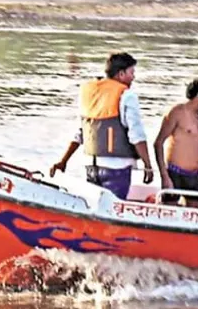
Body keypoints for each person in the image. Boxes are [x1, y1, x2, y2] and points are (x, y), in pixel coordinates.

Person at [50, 52, 152, 200]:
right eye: (132, 72)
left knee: (94, 208)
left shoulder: (89, 92)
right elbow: (136, 135)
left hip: (91, 167)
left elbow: (81, 132)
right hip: (117, 168)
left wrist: (63, 161)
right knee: (114, 209)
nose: (133, 77)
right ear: (121, 74)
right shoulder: (127, 96)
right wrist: (147, 165)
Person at [153, 78, 198, 207]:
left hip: (194, 175)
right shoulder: (177, 112)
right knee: (169, 211)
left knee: (195, 212)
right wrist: (165, 176)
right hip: (174, 172)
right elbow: (158, 143)